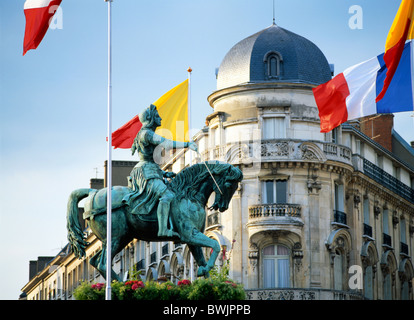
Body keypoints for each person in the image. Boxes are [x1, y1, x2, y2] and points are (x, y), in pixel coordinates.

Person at [124, 104, 197, 238]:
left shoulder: (144, 133)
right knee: (167, 195)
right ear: (151, 119)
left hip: (149, 170)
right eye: (157, 116)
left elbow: (149, 159)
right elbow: (166, 143)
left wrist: (163, 173)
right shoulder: (147, 134)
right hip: (146, 172)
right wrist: (187, 144)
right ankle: (163, 229)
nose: (160, 118)